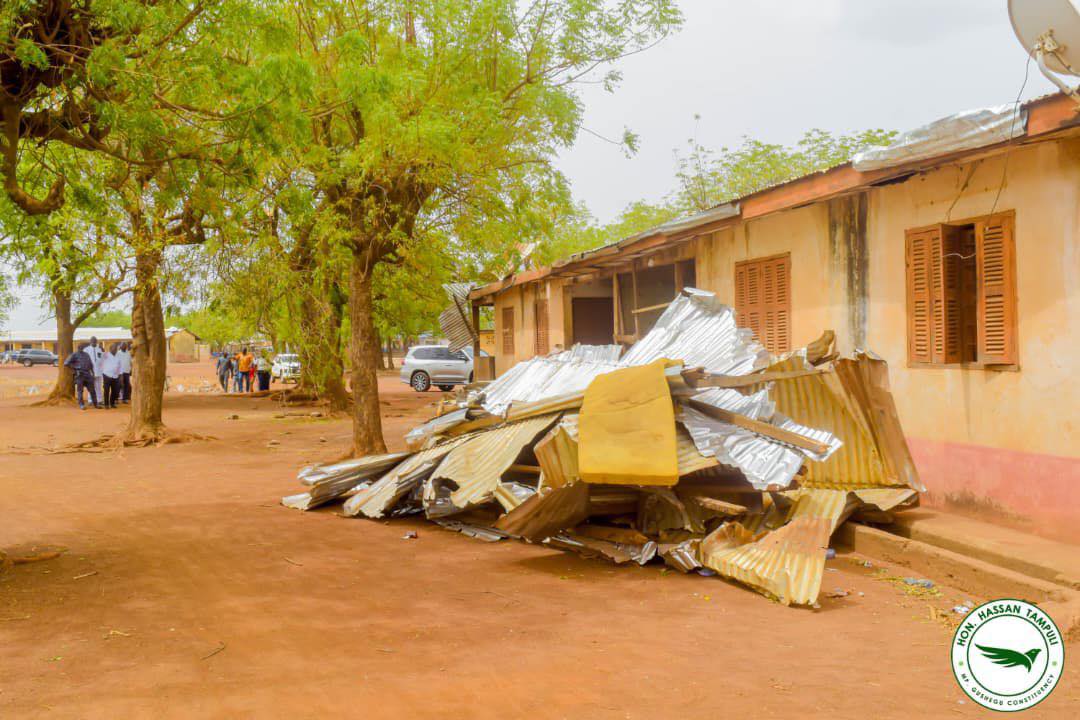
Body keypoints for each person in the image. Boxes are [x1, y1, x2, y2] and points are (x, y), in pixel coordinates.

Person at [64, 342, 98, 410]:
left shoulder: (86, 354)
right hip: (80, 374)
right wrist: (76, 367)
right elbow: (66, 363)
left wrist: (93, 374)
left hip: (88, 374)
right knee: (80, 391)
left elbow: (91, 364)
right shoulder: (74, 355)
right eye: (80, 347)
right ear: (78, 348)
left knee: (92, 390)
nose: (81, 348)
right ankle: (81, 404)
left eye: (82, 347)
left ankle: (95, 404)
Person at [101, 343, 122, 408]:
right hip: (107, 375)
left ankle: (112, 403)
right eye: (114, 348)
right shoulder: (106, 355)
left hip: (115, 376)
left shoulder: (118, 356)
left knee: (115, 390)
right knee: (106, 390)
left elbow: (120, 366)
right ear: (110, 349)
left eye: (116, 349)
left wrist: (121, 375)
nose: (115, 350)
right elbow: (100, 356)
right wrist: (100, 349)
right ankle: (106, 404)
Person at [84, 336, 104, 402]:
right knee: (91, 386)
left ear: (96, 341)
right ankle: (90, 400)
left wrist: (103, 351)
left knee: (98, 387)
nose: (94, 342)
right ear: (90, 341)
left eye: (95, 341)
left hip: (99, 371)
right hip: (90, 371)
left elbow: (103, 359)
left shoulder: (100, 349)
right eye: (92, 341)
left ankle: (99, 400)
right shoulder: (86, 349)